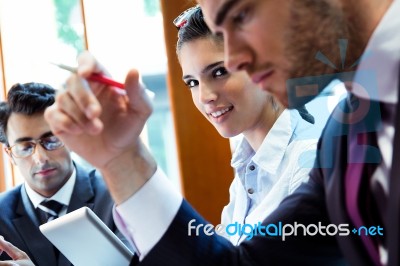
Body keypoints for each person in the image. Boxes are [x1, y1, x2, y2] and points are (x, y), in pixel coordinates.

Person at [43, 0, 399, 264]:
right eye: (192, 81)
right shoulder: (343, 135)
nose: (235, 57)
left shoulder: (318, 145)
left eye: (241, 15)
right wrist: (122, 158)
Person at [176, 6, 322, 245]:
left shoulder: (307, 166)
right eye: (192, 82)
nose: (204, 96)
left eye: (220, 71)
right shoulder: (246, 172)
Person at [0, 83, 127, 265]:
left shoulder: (118, 196)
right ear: (10, 154)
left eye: (51, 141)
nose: (40, 158)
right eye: (25, 147)